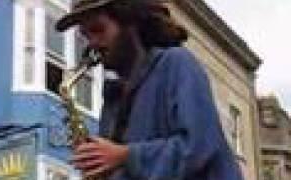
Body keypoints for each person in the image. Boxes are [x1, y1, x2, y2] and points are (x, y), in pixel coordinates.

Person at [56, 0, 243, 179]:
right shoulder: (114, 99)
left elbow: (199, 145)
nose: (93, 43)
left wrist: (125, 156)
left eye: (99, 29)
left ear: (129, 23)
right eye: (86, 36)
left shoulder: (176, 63)